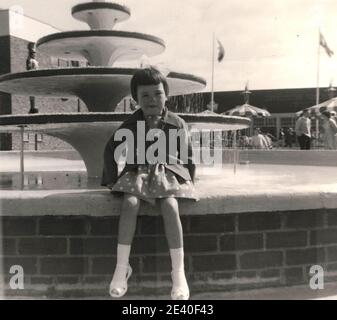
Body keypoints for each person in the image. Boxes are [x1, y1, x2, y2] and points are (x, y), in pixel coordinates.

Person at [101, 67, 197, 300]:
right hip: (137, 173)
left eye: (157, 94)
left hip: (166, 172)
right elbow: (111, 148)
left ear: (166, 95)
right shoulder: (132, 123)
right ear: (136, 99)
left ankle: (178, 273)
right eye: (145, 96)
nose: (152, 100)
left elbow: (188, 154)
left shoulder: (176, 123)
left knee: (170, 206)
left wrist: (187, 179)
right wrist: (112, 179)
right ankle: (122, 268)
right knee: (130, 204)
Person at [26, 42, 39, 114]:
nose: (34, 54)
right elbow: (29, 67)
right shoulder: (30, 60)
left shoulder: (35, 61)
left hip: (35, 78)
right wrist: (29, 49)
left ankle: (33, 107)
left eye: (34, 53)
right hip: (31, 78)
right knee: (32, 93)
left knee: (34, 93)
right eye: (33, 53)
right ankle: (32, 108)